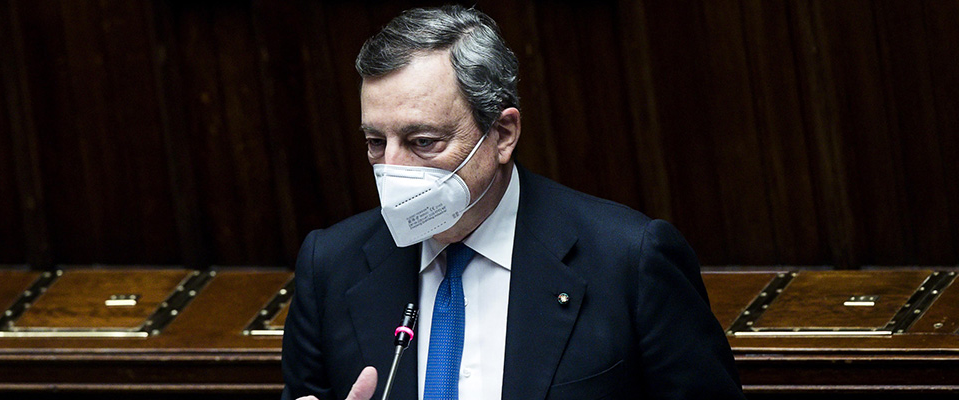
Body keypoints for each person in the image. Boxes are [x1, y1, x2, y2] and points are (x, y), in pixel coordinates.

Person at [281, 5, 744, 400]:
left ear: (502, 134)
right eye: (376, 142)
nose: (394, 168)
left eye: (423, 141)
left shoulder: (630, 261)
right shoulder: (330, 265)